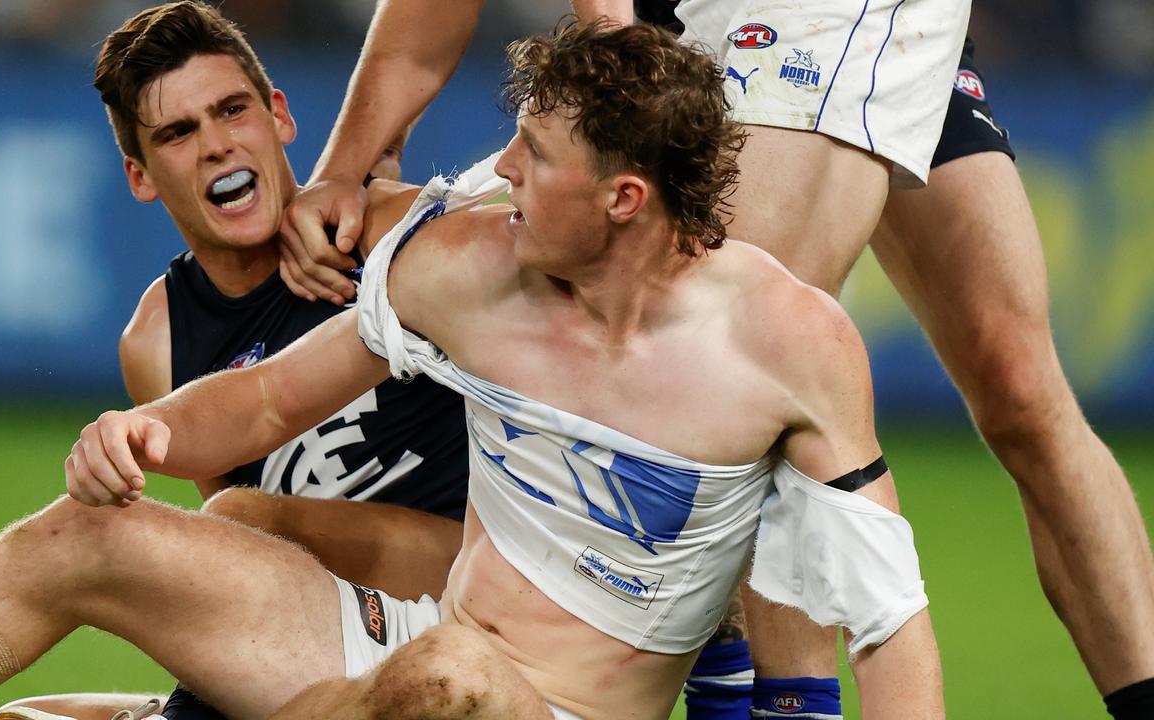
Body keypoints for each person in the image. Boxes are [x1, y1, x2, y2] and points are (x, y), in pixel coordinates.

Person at [0, 20, 945, 720]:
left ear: (621, 197)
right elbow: (262, 398)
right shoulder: (464, 267)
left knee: (449, 683)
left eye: (532, 156)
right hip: (417, 641)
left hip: (542, 701)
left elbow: (888, 624)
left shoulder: (786, 343)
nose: (499, 173)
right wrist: (138, 435)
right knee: (90, 537)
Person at [279, 2, 1154, 718]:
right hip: (676, 21)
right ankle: (736, 682)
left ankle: (767, 701)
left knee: (755, 344)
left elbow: (606, 50)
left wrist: (608, 91)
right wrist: (349, 161)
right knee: (715, 332)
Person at [0, 4, 470, 720]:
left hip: (454, 589)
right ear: (140, 177)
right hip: (314, 624)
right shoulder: (157, 340)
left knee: (235, 515)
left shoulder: (378, 232)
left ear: (279, 117)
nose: (216, 145)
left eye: (232, 111)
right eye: (178, 133)